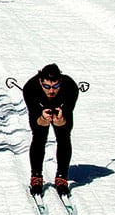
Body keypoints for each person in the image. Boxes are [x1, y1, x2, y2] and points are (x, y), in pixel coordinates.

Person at [22, 63, 79, 197]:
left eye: (55, 86)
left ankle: (62, 177)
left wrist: (61, 120)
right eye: (47, 87)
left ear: (60, 82)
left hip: (62, 107)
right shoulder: (30, 88)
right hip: (39, 110)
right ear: (41, 82)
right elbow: (37, 122)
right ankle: (36, 177)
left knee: (64, 135)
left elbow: (67, 116)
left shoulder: (70, 86)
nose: (51, 91)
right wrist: (43, 118)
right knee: (39, 135)